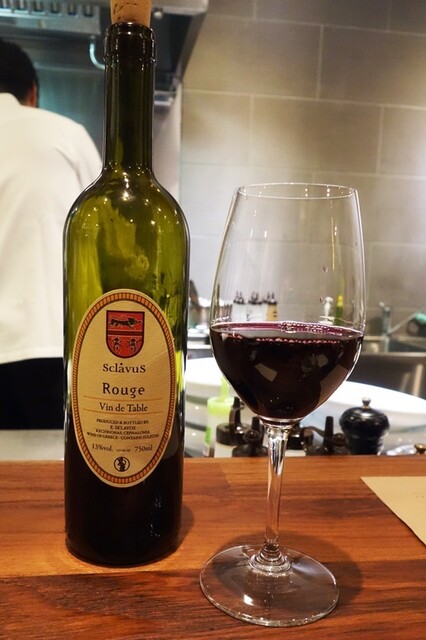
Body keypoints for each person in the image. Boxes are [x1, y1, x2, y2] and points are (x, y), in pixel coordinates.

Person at [0, 38, 102, 429]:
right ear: (33, 93)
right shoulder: (66, 134)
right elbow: (107, 234)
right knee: (55, 459)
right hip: (51, 344)